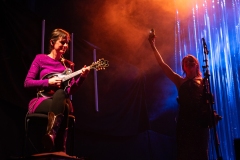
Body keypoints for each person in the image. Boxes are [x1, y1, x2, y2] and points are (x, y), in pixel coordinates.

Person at [148, 29, 211, 160]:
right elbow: (162, 64)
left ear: (196, 65)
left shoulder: (204, 81)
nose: (189, 62)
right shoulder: (179, 81)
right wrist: (153, 45)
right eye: (186, 61)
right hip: (185, 122)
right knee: (185, 153)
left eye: (191, 60)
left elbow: (209, 101)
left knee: (201, 152)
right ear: (183, 67)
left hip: (200, 123)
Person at [24, 28, 90, 153]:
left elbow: (70, 91)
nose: (65, 45)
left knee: (61, 94)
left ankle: (50, 135)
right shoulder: (40, 59)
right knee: (64, 106)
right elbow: (27, 83)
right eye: (62, 42)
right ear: (52, 42)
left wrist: (82, 77)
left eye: (67, 43)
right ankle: (61, 149)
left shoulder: (68, 65)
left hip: (60, 99)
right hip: (41, 100)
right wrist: (48, 82)